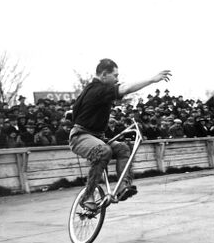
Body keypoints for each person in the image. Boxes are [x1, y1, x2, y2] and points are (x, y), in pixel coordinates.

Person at [69, 58, 171, 209]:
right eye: (115, 76)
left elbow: (76, 110)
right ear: (104, 75)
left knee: (123, 148)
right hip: (80, 137)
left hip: (97, 137)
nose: (117, 79)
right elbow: (126, 88)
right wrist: (151, 80)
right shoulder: (97, 90)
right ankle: (88, 196)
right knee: (103, 151)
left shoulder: (93, 91)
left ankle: (123, 187)